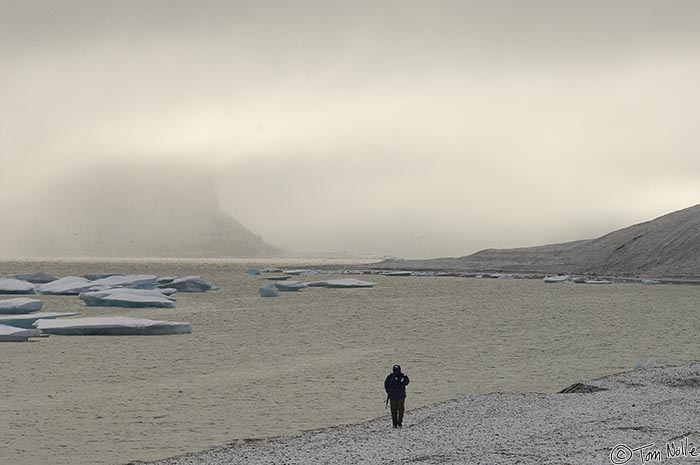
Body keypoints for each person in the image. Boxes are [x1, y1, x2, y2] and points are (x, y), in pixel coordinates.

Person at [384, 364, 410, 428]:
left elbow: (407, 382)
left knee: (401, 410)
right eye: (395, 370)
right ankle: (394, 424)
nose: (396, 372)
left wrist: (401, 380)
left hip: (400, 396)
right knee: (393, 410)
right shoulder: (390, 377)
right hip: (393, 397)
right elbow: (386, 384)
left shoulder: (403, 376)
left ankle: (399, 422)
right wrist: (388, 391)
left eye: (397, 370)